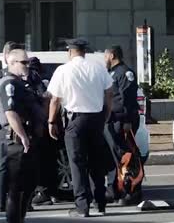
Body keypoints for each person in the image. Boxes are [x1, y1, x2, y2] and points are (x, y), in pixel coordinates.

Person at [47, 38, 113, 217]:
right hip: (96, 119)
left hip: (75, 120)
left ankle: (82, 206)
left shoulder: (63, 70)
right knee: (96, 163)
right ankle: (100, 203)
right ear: (84, 51)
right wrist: (106, 114)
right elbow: (109, 92)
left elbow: (55, 99)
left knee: (77, 163)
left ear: (69, 52)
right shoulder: (98, 67)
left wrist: (51, 122)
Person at [0, 49, 39, 223]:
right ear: (11, 63)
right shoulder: (8, 84)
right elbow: (11, 113)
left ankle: (20, 217)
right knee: (16, 187)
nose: (27, 66)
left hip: (27, 138)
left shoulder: (21, 83)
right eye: (23, 62)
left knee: (30, 182)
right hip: (16, 141)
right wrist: (23, 136)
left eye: (28, 62)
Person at [0, 41, 25, 212]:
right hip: (13, 126)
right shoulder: (13, 78)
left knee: (3, 167)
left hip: (5, 127)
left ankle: (1, 202)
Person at [103, 46, 142, 204]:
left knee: (125, 156)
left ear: (112, 55)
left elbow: (127, 99)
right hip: (112, 120)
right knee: (114, 157)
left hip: (123, 120)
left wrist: (127, 121)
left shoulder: (125, 73)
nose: (104, 59)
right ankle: (114, 189)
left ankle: (131, 191)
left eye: (105, 56)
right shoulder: (111, 73)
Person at [28, 57, 60, 206]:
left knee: (40, 162)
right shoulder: (49, 79)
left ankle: (43, 192)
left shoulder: (35, 81)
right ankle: (53, 192)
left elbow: (43, 100)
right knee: (52, 161)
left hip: (41, 126)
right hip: (53, 125)